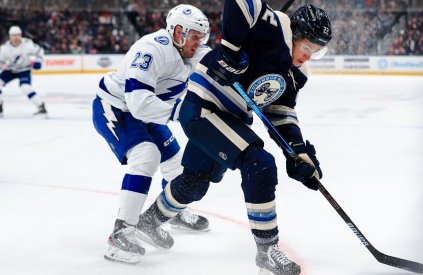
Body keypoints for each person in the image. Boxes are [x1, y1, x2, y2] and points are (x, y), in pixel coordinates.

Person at [138, 2, 332, 274]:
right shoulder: (271, 29)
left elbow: (280, 111)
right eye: (308, 47)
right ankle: (267, 250)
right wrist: (228, 52)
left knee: (195, 183)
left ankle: (147, 222)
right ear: (295, 34)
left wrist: (298, 152)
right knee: (260, 163)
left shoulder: (296, 75)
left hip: (230, 117)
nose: (310, 56)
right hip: (203, 106)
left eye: (318, 51)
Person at [92, 4, 211, 264]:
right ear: (178, 32)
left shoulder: (194, 52)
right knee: (146, 155)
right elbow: (138, 102)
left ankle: (170, 213)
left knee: (175, 164)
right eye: (195, 36)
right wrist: (181, 112)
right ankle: (122, 231)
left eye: (202, 37)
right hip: (117, 107)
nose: (199, 42)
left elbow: (219, 67)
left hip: (148, 111)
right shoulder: (151, 49)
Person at [0, 26, 47, 117]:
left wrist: (38, 62)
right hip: (10, 70)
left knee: (26, 88)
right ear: (10, 37)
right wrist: (2, 66)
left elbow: (40, 52)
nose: (16, 38)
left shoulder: (28, 44)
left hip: (24, 70)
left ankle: (41, 107)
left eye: (18, 35)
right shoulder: (4, 48)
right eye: (14, 36)